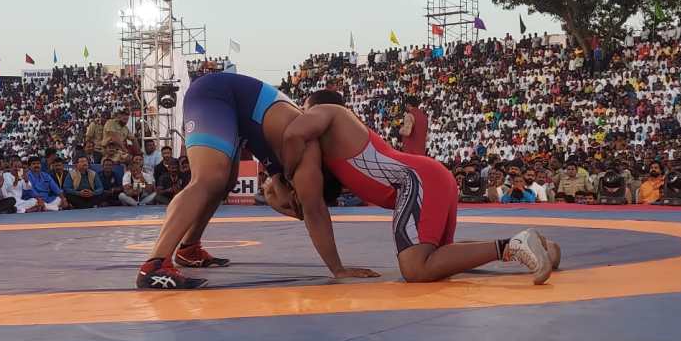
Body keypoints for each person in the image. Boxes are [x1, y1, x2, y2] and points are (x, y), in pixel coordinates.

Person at [274, 89, 559, 286]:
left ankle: (513, 245)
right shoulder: (332, 147)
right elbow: (308, 209)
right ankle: (541, 246)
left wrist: (284, 173)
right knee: (438, 257)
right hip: (430, 176)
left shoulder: (329, 112)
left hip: (415, 179)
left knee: (416, 268)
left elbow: (294, 133)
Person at [135, 73, 373, 289]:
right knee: (209, 178)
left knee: (225, 182)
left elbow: (278, 196)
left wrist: (284, 182)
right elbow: (314, 212)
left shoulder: (298, 146)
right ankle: (155, 265)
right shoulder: (307, 148)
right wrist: (338, 269)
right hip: (215, 94)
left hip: (233, 111)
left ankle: (189, 248)